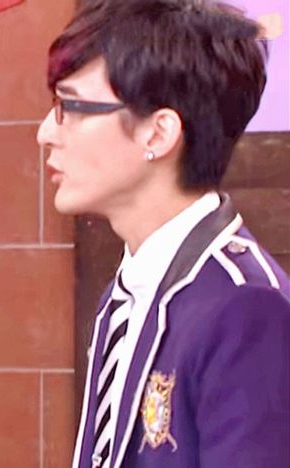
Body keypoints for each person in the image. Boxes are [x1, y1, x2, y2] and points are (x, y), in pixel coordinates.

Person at [36, 1, 290, 468]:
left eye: (70, 106)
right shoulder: (129, 291)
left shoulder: (246, 308)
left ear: (158, 133)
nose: (46, 133)